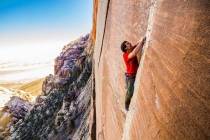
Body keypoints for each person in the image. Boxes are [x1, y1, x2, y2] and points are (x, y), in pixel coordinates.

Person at [121, 37, 146, 111]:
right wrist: (141, 42)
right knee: (130, 92)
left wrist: (142, 39)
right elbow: (134, 53)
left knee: (129, 89)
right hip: (131, 76)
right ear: (126, 48)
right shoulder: (125, 55)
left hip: (130, 74)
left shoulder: (131, 49)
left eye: (128, 42)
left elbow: (136, 45)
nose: (129, 43)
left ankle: (127, 85)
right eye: (128, 44)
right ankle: (126, 105)